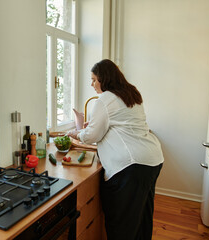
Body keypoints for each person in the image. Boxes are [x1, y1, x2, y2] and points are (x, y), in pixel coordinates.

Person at [67, 59, 164, 240]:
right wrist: (93, 125)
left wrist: (76, 133)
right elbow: (122, 124)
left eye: (94, 79)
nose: (92, 83)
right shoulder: (131, 93)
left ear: (104, 78)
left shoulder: (105, 98)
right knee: (142, 217)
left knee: (121, 223)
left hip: (131, 165)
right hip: (152, 159)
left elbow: (91, 136)